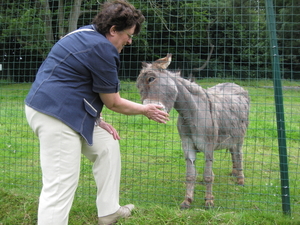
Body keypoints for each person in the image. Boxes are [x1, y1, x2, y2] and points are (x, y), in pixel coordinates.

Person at [24, 0, 169, 224]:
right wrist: (145, 109)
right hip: (55, 115)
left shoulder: (86, 33)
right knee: (60, 184)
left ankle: (109, 211)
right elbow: (114, 102)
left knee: (107, 145)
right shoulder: (103, 49)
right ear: (113, 30)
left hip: (61, 108)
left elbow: (76, 80)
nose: (130, 41)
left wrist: (96, 118)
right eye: (129, 35)